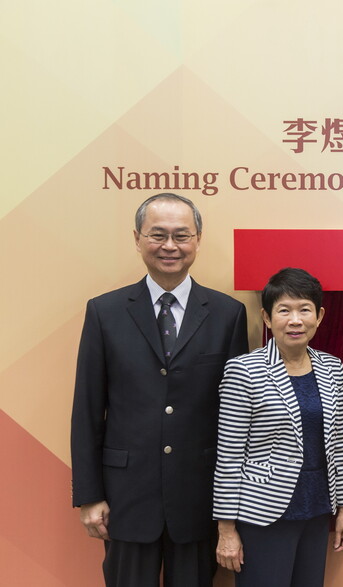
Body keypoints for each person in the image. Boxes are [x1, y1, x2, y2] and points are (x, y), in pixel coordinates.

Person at [70, 193, 249, 586]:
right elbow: (87, 409)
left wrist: (230, 509)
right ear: (137, 238)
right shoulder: (105, 312)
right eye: (158, 235)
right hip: (125, 498)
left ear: (198, 239)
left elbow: (236, 419)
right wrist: (88, 495)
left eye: (182, 235)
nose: (170, 246)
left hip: (199, 498)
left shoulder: (228, 314)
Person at [213, 267, 343, 586]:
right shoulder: (244, 371)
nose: (295, 320)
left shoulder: (332, 368)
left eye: (304, 309)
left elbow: (342, 445)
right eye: (284, 310)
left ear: (319, 316)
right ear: (266, 317)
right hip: (263, 513)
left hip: (317, 510)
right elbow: (229, 455)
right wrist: (226, 528)